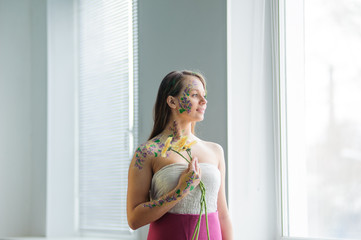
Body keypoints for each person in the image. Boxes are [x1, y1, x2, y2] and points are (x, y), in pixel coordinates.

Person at [127, 70, 233, 239]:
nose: (204, 101)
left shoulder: (215, 151)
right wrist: (180, 191)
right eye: (194, 95)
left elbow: (223, 215)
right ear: (172, 101)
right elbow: (134, 219)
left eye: (204, 96)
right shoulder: (147, 153)